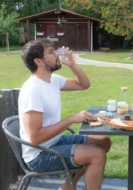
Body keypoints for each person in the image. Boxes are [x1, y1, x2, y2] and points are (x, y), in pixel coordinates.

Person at [18, 38, 112, 190]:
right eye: (51, 52)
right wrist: (71, 119)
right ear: (38, 61)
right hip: (39, 155)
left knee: (103, 141)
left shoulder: (52, 80)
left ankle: (67, 187)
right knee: (96, 154)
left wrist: (72, 64)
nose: (57, 54)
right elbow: (35, 138)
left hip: (55, 141)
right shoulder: (32, 90)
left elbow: (84, 85)